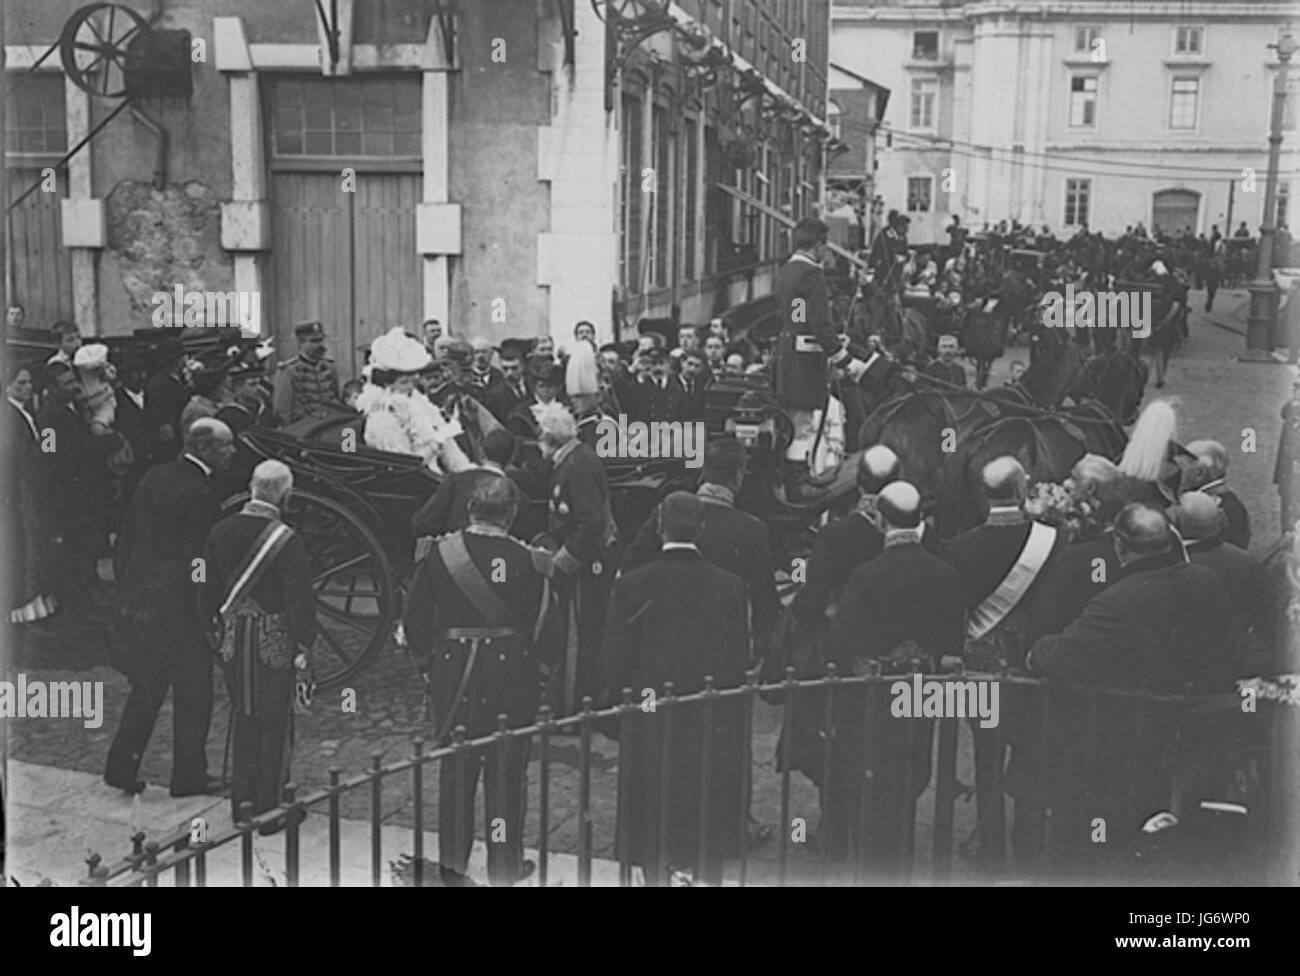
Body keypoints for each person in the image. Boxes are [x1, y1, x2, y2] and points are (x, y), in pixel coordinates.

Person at [1027, 504, 1232, 871]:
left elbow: (1061, 655)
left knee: (1097, 837)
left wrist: (1035, 652)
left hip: (1125, 740)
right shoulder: (1207, 581)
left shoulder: (1117, 601)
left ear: (1121, 547)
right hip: (1193, 728)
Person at [403, 477, 555, 885]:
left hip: (454, 675)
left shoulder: (437, 555)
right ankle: (503, 868)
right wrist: (537, 678)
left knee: (457, 773)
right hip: (512, 677)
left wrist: (429, 668)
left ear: (470, 508)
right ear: (512, 514)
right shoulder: (531, 561)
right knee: (505, 777)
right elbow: (549, 630)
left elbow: (414, 620)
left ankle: (453, 869)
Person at [601, 491, 749, 886]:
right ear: (702, 528)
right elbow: (739, 658)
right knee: (704, 804)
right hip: (707, 712)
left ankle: (655, 876)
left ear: (661, 527)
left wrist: (618, 709)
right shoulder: (730, 586)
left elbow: (616, 658)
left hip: (649, 709)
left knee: (651, 805)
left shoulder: (632, 584)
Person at [825, 481, 965, 873]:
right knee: (912, 771)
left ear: (880, 520)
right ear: (921, 518)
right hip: (922, 689)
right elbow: (953, 644)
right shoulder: (946, 573)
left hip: (874, 688)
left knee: (872, 772)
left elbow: (839, 640)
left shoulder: (866, 575)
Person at [943, 456, 1066, 864]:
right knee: (1032, 749)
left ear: (985, 493)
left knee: (987, 753)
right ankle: (1029, 837)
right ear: (1019, 490)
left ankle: (989, 843)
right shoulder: (1055, 539)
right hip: (1035, 663)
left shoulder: (960, 547)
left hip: (982, 665)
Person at [104, 418, 236, 797]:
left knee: (148, 686)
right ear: (204, 449)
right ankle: (189, 776)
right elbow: (197, 561)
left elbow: (128, 535)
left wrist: (128, 585)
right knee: (194, 692)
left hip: (142, 600)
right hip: (179, 611)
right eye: (225, 446)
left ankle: (121, 766)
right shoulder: (200, 493)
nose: (231, 452)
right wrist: (207, 606)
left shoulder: (155, 475)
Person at [202, 460, 316, 830]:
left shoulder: (219, 531)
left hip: (234, 639)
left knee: (244, 717)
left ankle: (243, 806)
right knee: (275, 723)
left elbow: (205, 584)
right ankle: (270, 811)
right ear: (285, 494)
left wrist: (213, 630)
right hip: (275, 641)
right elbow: (299, 599)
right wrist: (306, 642)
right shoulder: (287, 539)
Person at [623, 437, 780, 662]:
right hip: (717, 648)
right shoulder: (752, 530)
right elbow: (764, 602)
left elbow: (630, 568)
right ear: (738, 476)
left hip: (661, 639)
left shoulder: (665, 514)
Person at [773, 216, 870, 492]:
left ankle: (795, 476)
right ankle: (798, 480)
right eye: (825, 247)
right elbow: (818, 324)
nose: (826, 253)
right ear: (818, 246)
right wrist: (844, 358)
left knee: (794, 419)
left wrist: (815, 331)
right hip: (806, 361)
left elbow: (798, 318)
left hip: (789, 355)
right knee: (803, 423)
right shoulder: (813, 275)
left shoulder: (787, 272)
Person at [538, 403, 616, 717]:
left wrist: (562, 562)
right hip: (586, 559)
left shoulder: (576, 465)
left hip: (585, 567)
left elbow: (591, 522)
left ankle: (574, 705)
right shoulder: (576, 457)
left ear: (548, 437)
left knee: (577, 638)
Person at [34, 363, 117, 626]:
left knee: (87, 548)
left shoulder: (76, 408)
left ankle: (87, 598)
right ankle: (76, 607)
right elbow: (50, 456)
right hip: (70, 496)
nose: (74, 386)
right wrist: (106, 443)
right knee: (74, 553)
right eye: (67, 383)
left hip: (86, 494)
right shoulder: (50, 418)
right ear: (52, 389)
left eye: (73, 380)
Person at [355, 327, 468, 474]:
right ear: (386, 385)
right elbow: (406, 466)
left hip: (435, 475)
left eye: (412, 382)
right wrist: (436, 443)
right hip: (409, 485)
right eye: (404, 382)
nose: (410, 388)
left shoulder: (418, 402)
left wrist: (466, 471)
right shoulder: (382, 419)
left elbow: (452, 454)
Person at [5, 364, 54, 625]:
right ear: (8, 386)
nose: (27, 387)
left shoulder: (28, 413)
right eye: (20, 383)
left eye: (28, 382)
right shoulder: (12, 416)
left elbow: (44, 449)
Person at [412, 428, 516, 538]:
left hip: (453, 551)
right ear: (513, 457)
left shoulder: (455, 481)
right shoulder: (518, 496)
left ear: (481, 450)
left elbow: (423, 522)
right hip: (498, 554)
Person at [1181, 439, 1250, 549]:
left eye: (1183, 468)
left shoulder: (1204, 507)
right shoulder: (1230, 501)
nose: (1180, 474)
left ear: (1200, 473)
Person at [272, 321, 341, 425]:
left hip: (329, 427)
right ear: (301, 343)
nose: (321, 345)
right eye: (314, 341)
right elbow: (282, 411)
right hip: (302, 430)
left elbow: (336, 398)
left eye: (321, 340)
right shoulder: (288, 371)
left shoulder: (330, 368)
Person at [144, 337, 190, 463]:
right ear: (177, 360)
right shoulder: (161, 384)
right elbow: (162, 414)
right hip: (171, 441)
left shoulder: (175, 380)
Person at [506, 359, 563, 439]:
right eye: (541, 386)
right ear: (535, 387)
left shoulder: (567, 407)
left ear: (557, 388)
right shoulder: (521, 413)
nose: (545, 390)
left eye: (550, 386)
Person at [485, 343, 530, 424]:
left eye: (514, 368)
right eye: (505, 369)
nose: (509, 373)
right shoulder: (495, 395)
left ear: (523, 366)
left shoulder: (534, 387)